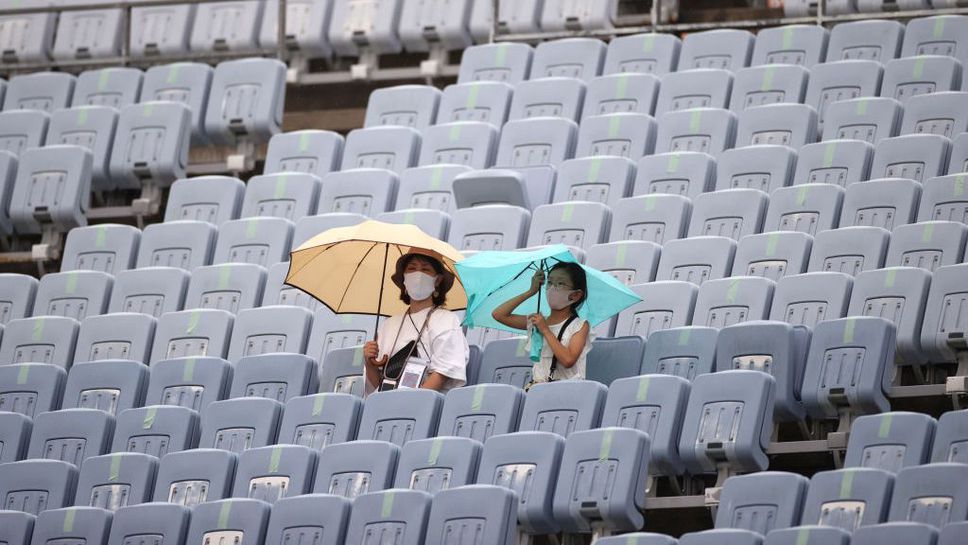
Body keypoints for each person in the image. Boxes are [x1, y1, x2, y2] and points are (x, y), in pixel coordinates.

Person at [362, 251, 469, 395]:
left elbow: (444, 371)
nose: (418, 274)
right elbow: (376, 386)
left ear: (437, 280)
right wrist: (370, 362)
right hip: (385, 405)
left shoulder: (447, 320)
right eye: (411, 268)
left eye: (425, 269)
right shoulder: (389, 325)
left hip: (425, 406)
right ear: (404, 279)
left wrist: (412, 403)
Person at [492, 262, 593, 383]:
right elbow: (498, 315)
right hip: (537, 389)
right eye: (549, 282)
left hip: (566, 391)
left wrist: (545, 330)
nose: (552, 288)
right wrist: (530, 291)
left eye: (560, 284)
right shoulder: (537, 321)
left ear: (575, 295)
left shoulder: (579, 326)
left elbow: (568, 360)